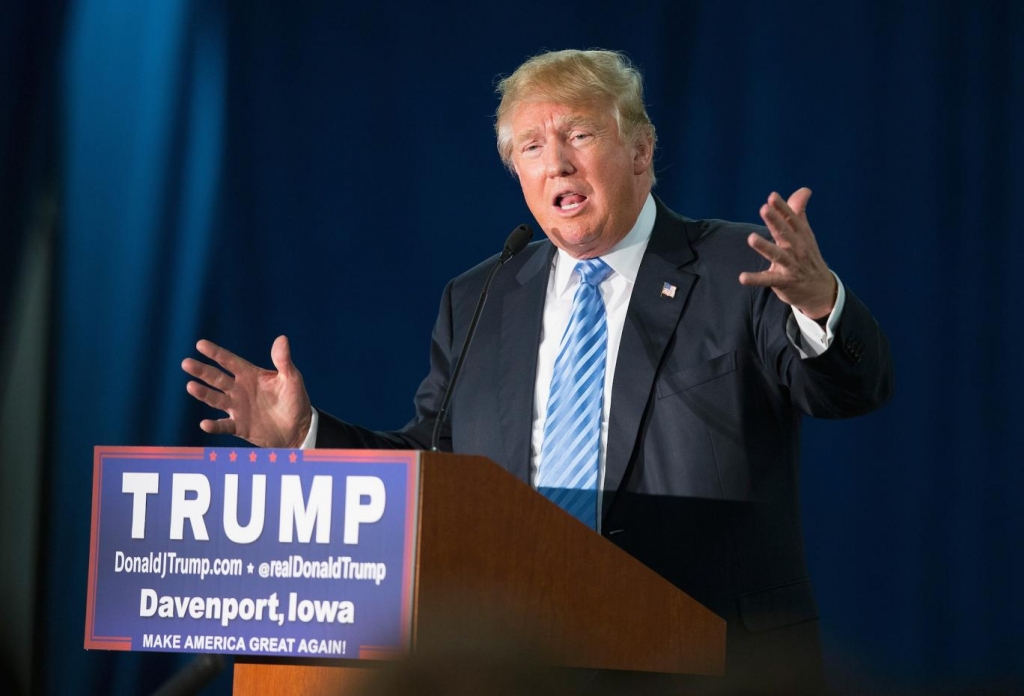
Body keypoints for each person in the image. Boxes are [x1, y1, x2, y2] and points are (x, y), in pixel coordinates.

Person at [183, 49, 892, 693]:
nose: (556, 163)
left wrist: (820, 303)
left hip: (713, 659)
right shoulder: (481, 295)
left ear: (641, 151)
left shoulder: (739, 265)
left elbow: (849, 390)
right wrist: (307, 434)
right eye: (531, 146)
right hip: (525, 663)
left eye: (579, 135)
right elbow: (435, 468)